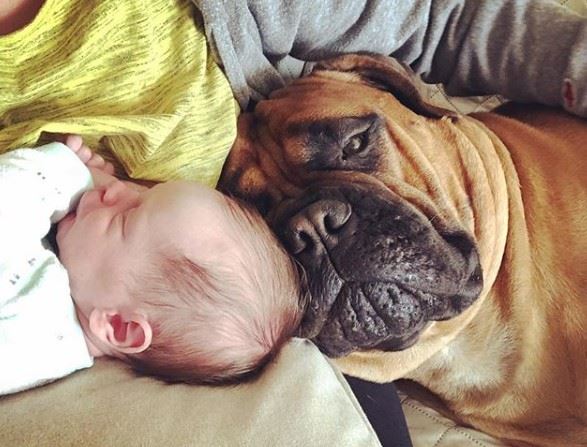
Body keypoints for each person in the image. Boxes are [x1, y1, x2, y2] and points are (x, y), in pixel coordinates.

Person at [0, 135, 303, 395]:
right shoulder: (61, 333)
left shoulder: (33, 314)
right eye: (139, 192)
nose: (116, 190)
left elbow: (12, 194)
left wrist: (69, 174)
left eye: (124, 218)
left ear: (120, 326)